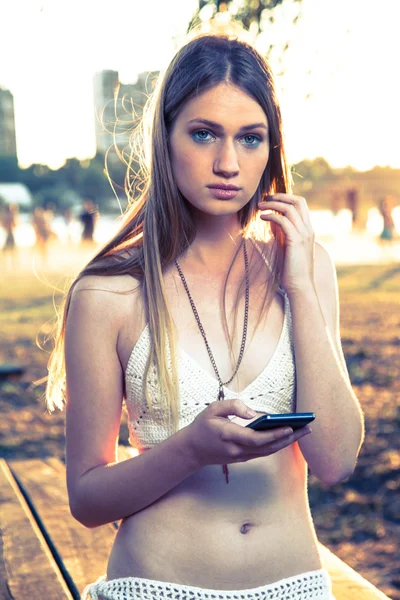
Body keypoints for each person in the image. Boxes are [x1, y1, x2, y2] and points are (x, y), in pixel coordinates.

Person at [46, 32, 365, 600]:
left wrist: (300, 286)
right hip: (155, 586)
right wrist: (190, 448)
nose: (227, 163)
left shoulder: (307, 269)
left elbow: (337, 459)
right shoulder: (106, 295)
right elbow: (87, 500)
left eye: (250, 138)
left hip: (294, 586)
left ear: (272, 148)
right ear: (164, 139)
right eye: (203, 134)